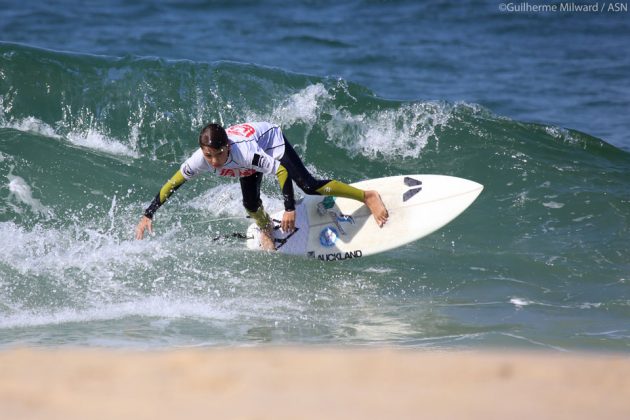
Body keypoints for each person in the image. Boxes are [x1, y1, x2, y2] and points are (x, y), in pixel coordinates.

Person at [135, 122, 388, 250]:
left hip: (268, 141)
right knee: (250, 204)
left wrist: (289, 208)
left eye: (217, 155)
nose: (213, 163)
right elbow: (173, 183)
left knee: (308, 185)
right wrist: (148, 213)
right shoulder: (200, 160)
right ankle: (265, 226)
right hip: (247, 155)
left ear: (228, 148)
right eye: (208, 156)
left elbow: (280, 170)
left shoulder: (244, 153)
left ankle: (366, 196)